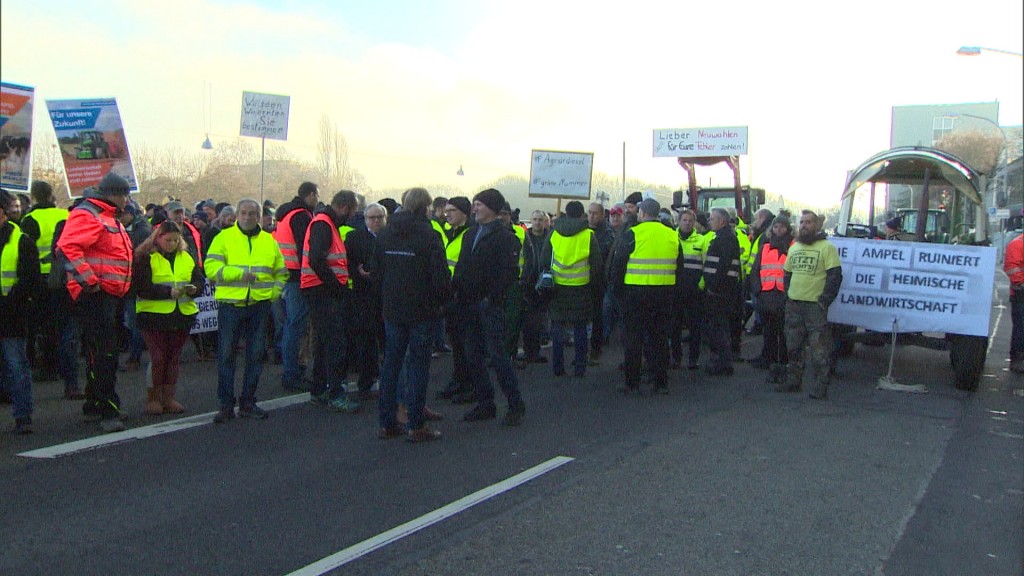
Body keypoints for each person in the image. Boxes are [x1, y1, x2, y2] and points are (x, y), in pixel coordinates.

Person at [55, 173, 135, 433]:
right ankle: (108, 409)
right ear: (113, 193)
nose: (126, 199)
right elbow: (68, 248)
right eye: (124, 194)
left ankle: (95, 403)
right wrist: (90, 282)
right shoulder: (90, 214)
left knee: (99, 352)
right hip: (96, 295)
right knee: (105, 353)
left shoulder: (104, 215)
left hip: (106, 294)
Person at [374, 187, 450, 442]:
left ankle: (387, 422)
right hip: (421, 309)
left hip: (393, 307)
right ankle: (416, 424)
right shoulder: (428, 235)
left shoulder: (385, 233)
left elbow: (377, 271)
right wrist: (441, 302)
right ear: (425, 207)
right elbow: (439, 276)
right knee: (418, 366)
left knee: (391, 365)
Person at [206, 199, 288, 423]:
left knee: (255, 355)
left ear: (259, 216)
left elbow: (281, 272)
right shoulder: (223, 238)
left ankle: (248, 402)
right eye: (243, 212)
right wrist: (239, 275)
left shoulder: (268, 241)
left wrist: (274, 293)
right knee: (226, 356)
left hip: (259, 306)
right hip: (231, 305)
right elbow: (211, 268)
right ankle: (225, 405)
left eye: (252, 213)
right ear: (237, 214)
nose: (247, 217)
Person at [453, 188, 526, 426]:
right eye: (474, 204)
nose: (474, 209)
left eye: (479, 205)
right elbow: (463, 266)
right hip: (467, 303)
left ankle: (515, 405)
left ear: (493, 209)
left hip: (489, 305)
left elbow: (508, 274)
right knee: (472, 354)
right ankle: (486, 402)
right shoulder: (470, 233)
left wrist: (490, 298)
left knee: (497, 356)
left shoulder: (505, 237)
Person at [609, 198, 682, 394]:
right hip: (664, 294)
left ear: (642, 213)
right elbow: (679, 268)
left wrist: (618, 292)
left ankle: (632, 383)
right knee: (659, 340)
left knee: (633, 340)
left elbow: (618, 266)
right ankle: (661, 383)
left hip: (635, 294)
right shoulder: (672, 235)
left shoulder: (633, 234)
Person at [132, 220, 204, 415]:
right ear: (158, 238)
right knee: (158, 358)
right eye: (168, 240)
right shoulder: (145, 257)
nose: (172, 243)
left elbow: (198, 279)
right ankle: (153, 398)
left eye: (175, 240)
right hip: (153, 315)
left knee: (173, 359)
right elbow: (141, 287)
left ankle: (169, 397)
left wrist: (194, 289)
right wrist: (167, 292)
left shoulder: (186, 256)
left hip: (182, 313)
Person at [300, 190, 361, 413]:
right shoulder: (324, 224)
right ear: (345, 208)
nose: (352, 216)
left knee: (325, 342)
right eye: (352, 211)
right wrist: (337, 287)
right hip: (322, 291)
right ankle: (335, 392)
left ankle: (319, 390)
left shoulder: (324, 222)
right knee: (335, 343)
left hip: (319, 289)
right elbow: (316, 258)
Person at [781, 210, 843, 398]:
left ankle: (820, 387)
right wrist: (789, 296)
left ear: (817, 225)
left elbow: (835, 277)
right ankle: (793, 381)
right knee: (793, 346)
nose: (804, 225)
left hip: (815, 307)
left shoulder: (827, 248)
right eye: (801, 222)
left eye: (808, 222)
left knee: (819, 350)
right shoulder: (794, 247)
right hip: (794, 305)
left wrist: (824, 301)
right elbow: (787, 274)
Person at [17, 181, 72, 387]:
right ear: (51, 195)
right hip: (65, 275)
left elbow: (25, 251)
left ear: (33, 196)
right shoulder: (64, 215)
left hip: (42, 278)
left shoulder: (30, 219)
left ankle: (47, 366)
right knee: (63, 324)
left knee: (43, 324)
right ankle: (64, 367)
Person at [542, 200, 602, 378]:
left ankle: (558, 368)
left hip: (557, 289)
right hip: (581, 288)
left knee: (558, 328)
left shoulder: (554, 233)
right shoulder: (588, 235)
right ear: (582, 214)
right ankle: (580, 367)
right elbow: (597, 264)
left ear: (566, 213)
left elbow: (545, 258)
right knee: (580, 329)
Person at [1, 188, 40, 434]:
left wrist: (12, 301)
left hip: (10, 315)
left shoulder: (21, 240)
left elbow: (30, 280)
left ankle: (22, 415)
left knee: (16, 366)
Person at [273, 182, 319, 392]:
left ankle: (292, 370)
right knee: (296, 325)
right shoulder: (301, 215)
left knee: (293, 325)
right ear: (310, 195)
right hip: (298, 276)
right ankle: (292, 373)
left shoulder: (285, 213)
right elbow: (306, 247)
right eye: (316, 195)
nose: (317, 200)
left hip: (286, 273)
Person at [346, 202, 387, 400]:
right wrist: (358, 273)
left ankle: (387, 380)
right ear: (365, 220)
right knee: (366, 341)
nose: (376, 221)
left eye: (379, 217)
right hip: (364, 297)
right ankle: (366, 381)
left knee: (388, 341)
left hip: (387, 296)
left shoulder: (392, 237)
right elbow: (346, 263)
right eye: (372, 218)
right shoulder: (354, 238)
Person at [435, 196, 474, 403]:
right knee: (458, 345)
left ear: (464, 214)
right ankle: (458, 381)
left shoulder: (469, 234)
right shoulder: (452, 233)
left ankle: (468, 384)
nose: (446, 214)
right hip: (451, 297)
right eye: (446, 210)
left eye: (452, 211)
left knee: (467, 345)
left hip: (463, 298)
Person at [750, 213, 794, 383]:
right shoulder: (765, 248)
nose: (779, 229)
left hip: (784, 295)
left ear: (788, 228)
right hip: (766, 295)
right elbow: (755, 270)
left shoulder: (793, 247)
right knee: (768, 332)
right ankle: (768, 360)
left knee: (784, 333)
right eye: (776, 226)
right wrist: (757, 291)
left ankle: (783, 363)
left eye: (782, 226)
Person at [701, 207, 742, 376]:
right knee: (718, 327)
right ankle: (722, 361)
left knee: (719, 328)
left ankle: (724, 363)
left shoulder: (726, 238)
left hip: (720, 293)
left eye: (712, 218)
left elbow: (724, 265)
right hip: (721, 290)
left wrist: (713, 287)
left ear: (722, 221)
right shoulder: (724, 237)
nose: (709, 221)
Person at [671, 208, 707, 370]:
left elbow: (707, 265)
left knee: (695, 327)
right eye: (684, 220)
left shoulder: (701, 240)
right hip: (675, 290)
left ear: (694, 223)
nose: (687, 223)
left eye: (690, 221)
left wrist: (701, 285)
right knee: (674, 326)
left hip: (694, 291)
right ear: (678, 221)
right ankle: (676, 358)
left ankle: (693, 359)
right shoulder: (671, 238)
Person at [519, 209, 551, 365]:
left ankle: (536, 351)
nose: (538, 222)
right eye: (535, 219)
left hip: (545, 281)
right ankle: (528, 351)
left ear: (545, 221)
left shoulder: (550, 237)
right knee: (528, 320)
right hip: (529, 281)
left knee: (539, 319)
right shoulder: (525, 237)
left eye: (540, 219)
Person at [587, 202, 615, 363]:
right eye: (589, 212)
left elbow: (603, 253)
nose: (591, 216)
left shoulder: (607, 233)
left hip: (599, 281)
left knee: (598, 316)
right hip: (583, 279)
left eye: (595, 213)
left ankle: (595, 349)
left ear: (602, 215)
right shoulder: (584, 230)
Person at [1004, 232, 1024, 373]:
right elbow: (1012, 269)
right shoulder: (1017, 245)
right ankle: (1017, 359)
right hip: (1020, 294)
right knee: (1021, 328)